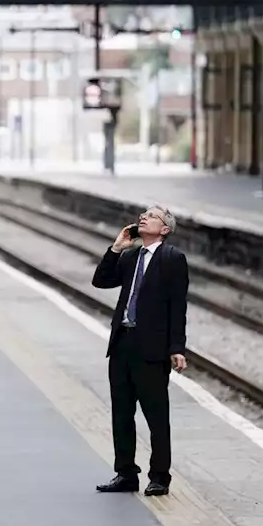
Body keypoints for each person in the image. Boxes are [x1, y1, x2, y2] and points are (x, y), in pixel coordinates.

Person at [90, 205, 189, 497]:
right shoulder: (131, 256)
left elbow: (177, 306)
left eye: (152, 216)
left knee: (156, 417)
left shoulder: (173, 259)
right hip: (122, 345)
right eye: (143, 214)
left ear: (165, 229)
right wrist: (116, 248)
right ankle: (125, 474)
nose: (143, 217)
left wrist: (176, 347)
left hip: (152, 349)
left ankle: (159, 476)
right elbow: (101, 280)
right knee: (122, 413)